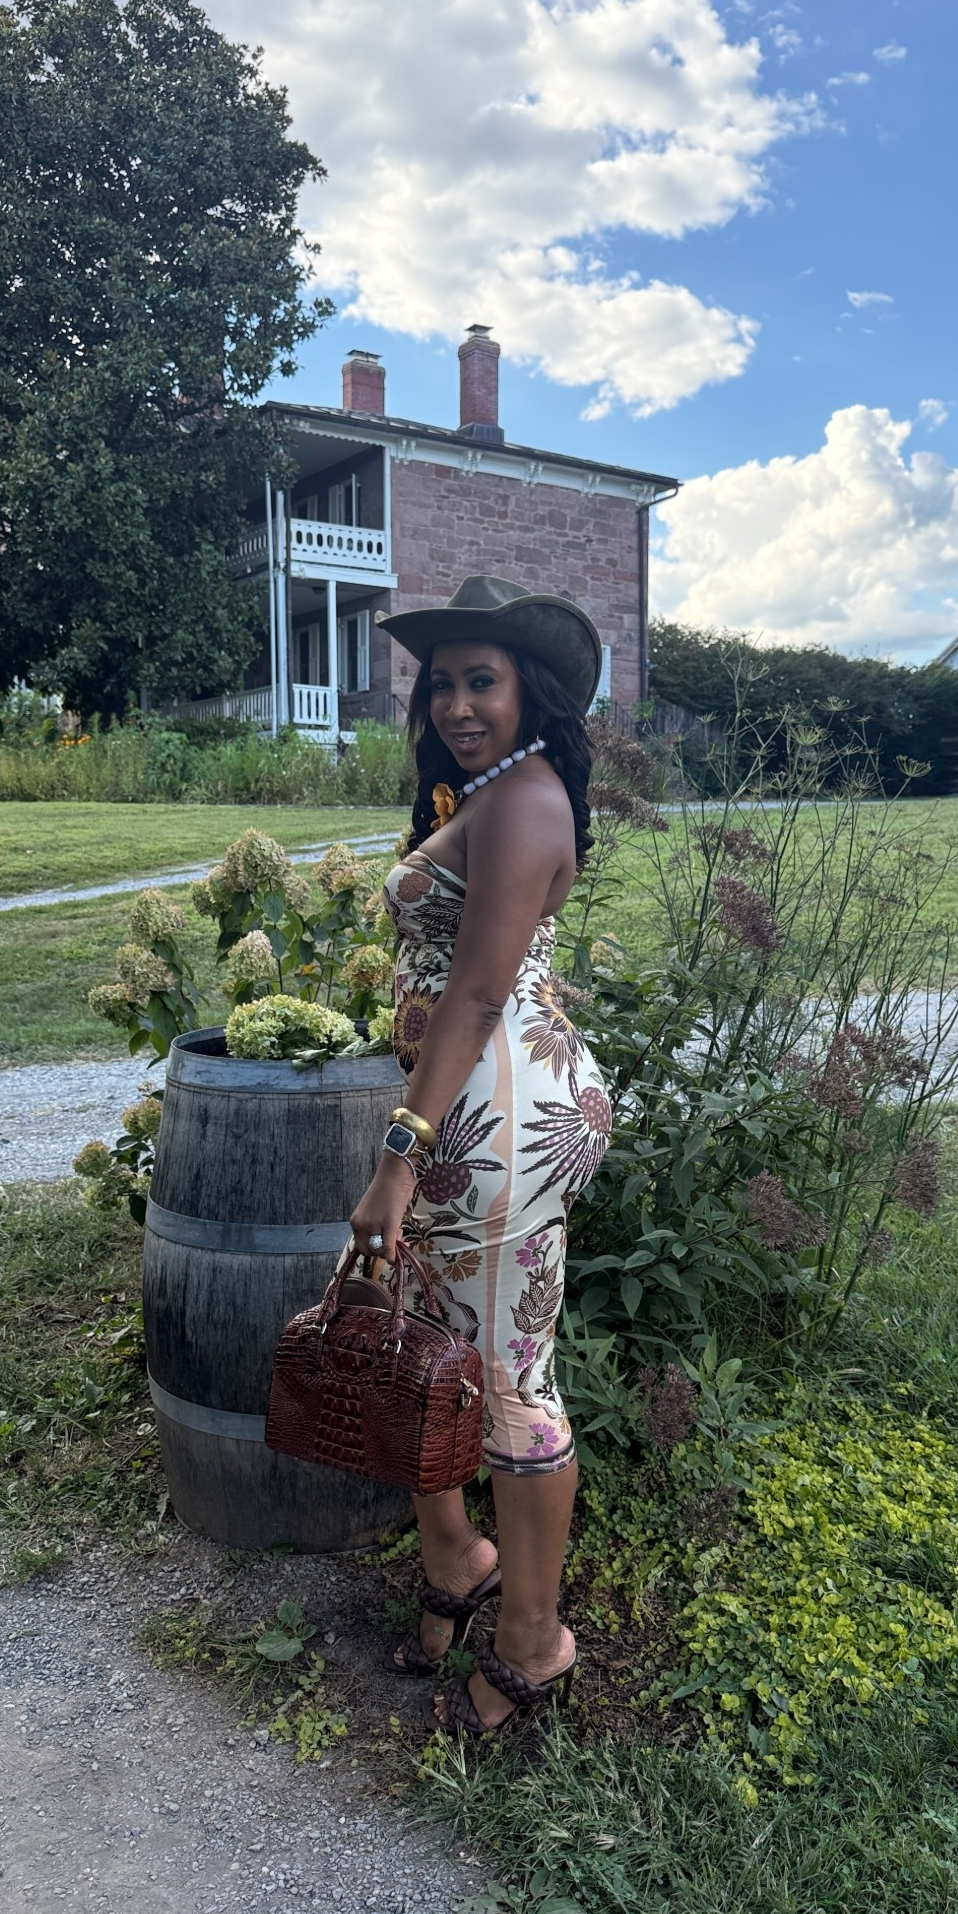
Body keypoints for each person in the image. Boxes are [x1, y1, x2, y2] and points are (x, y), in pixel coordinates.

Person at [347, 574, 614, 1735]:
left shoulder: (527, 796)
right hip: (469, 1113)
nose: (458, 703)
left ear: (532, 692)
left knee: (509, 1385)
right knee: (432, 1352)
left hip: (487, 1129)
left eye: (483, 681)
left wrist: (398, 1153)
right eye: (442, 683)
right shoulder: (494, 788)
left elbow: (478, 986)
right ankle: (457, 1558)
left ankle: (534, 1638)